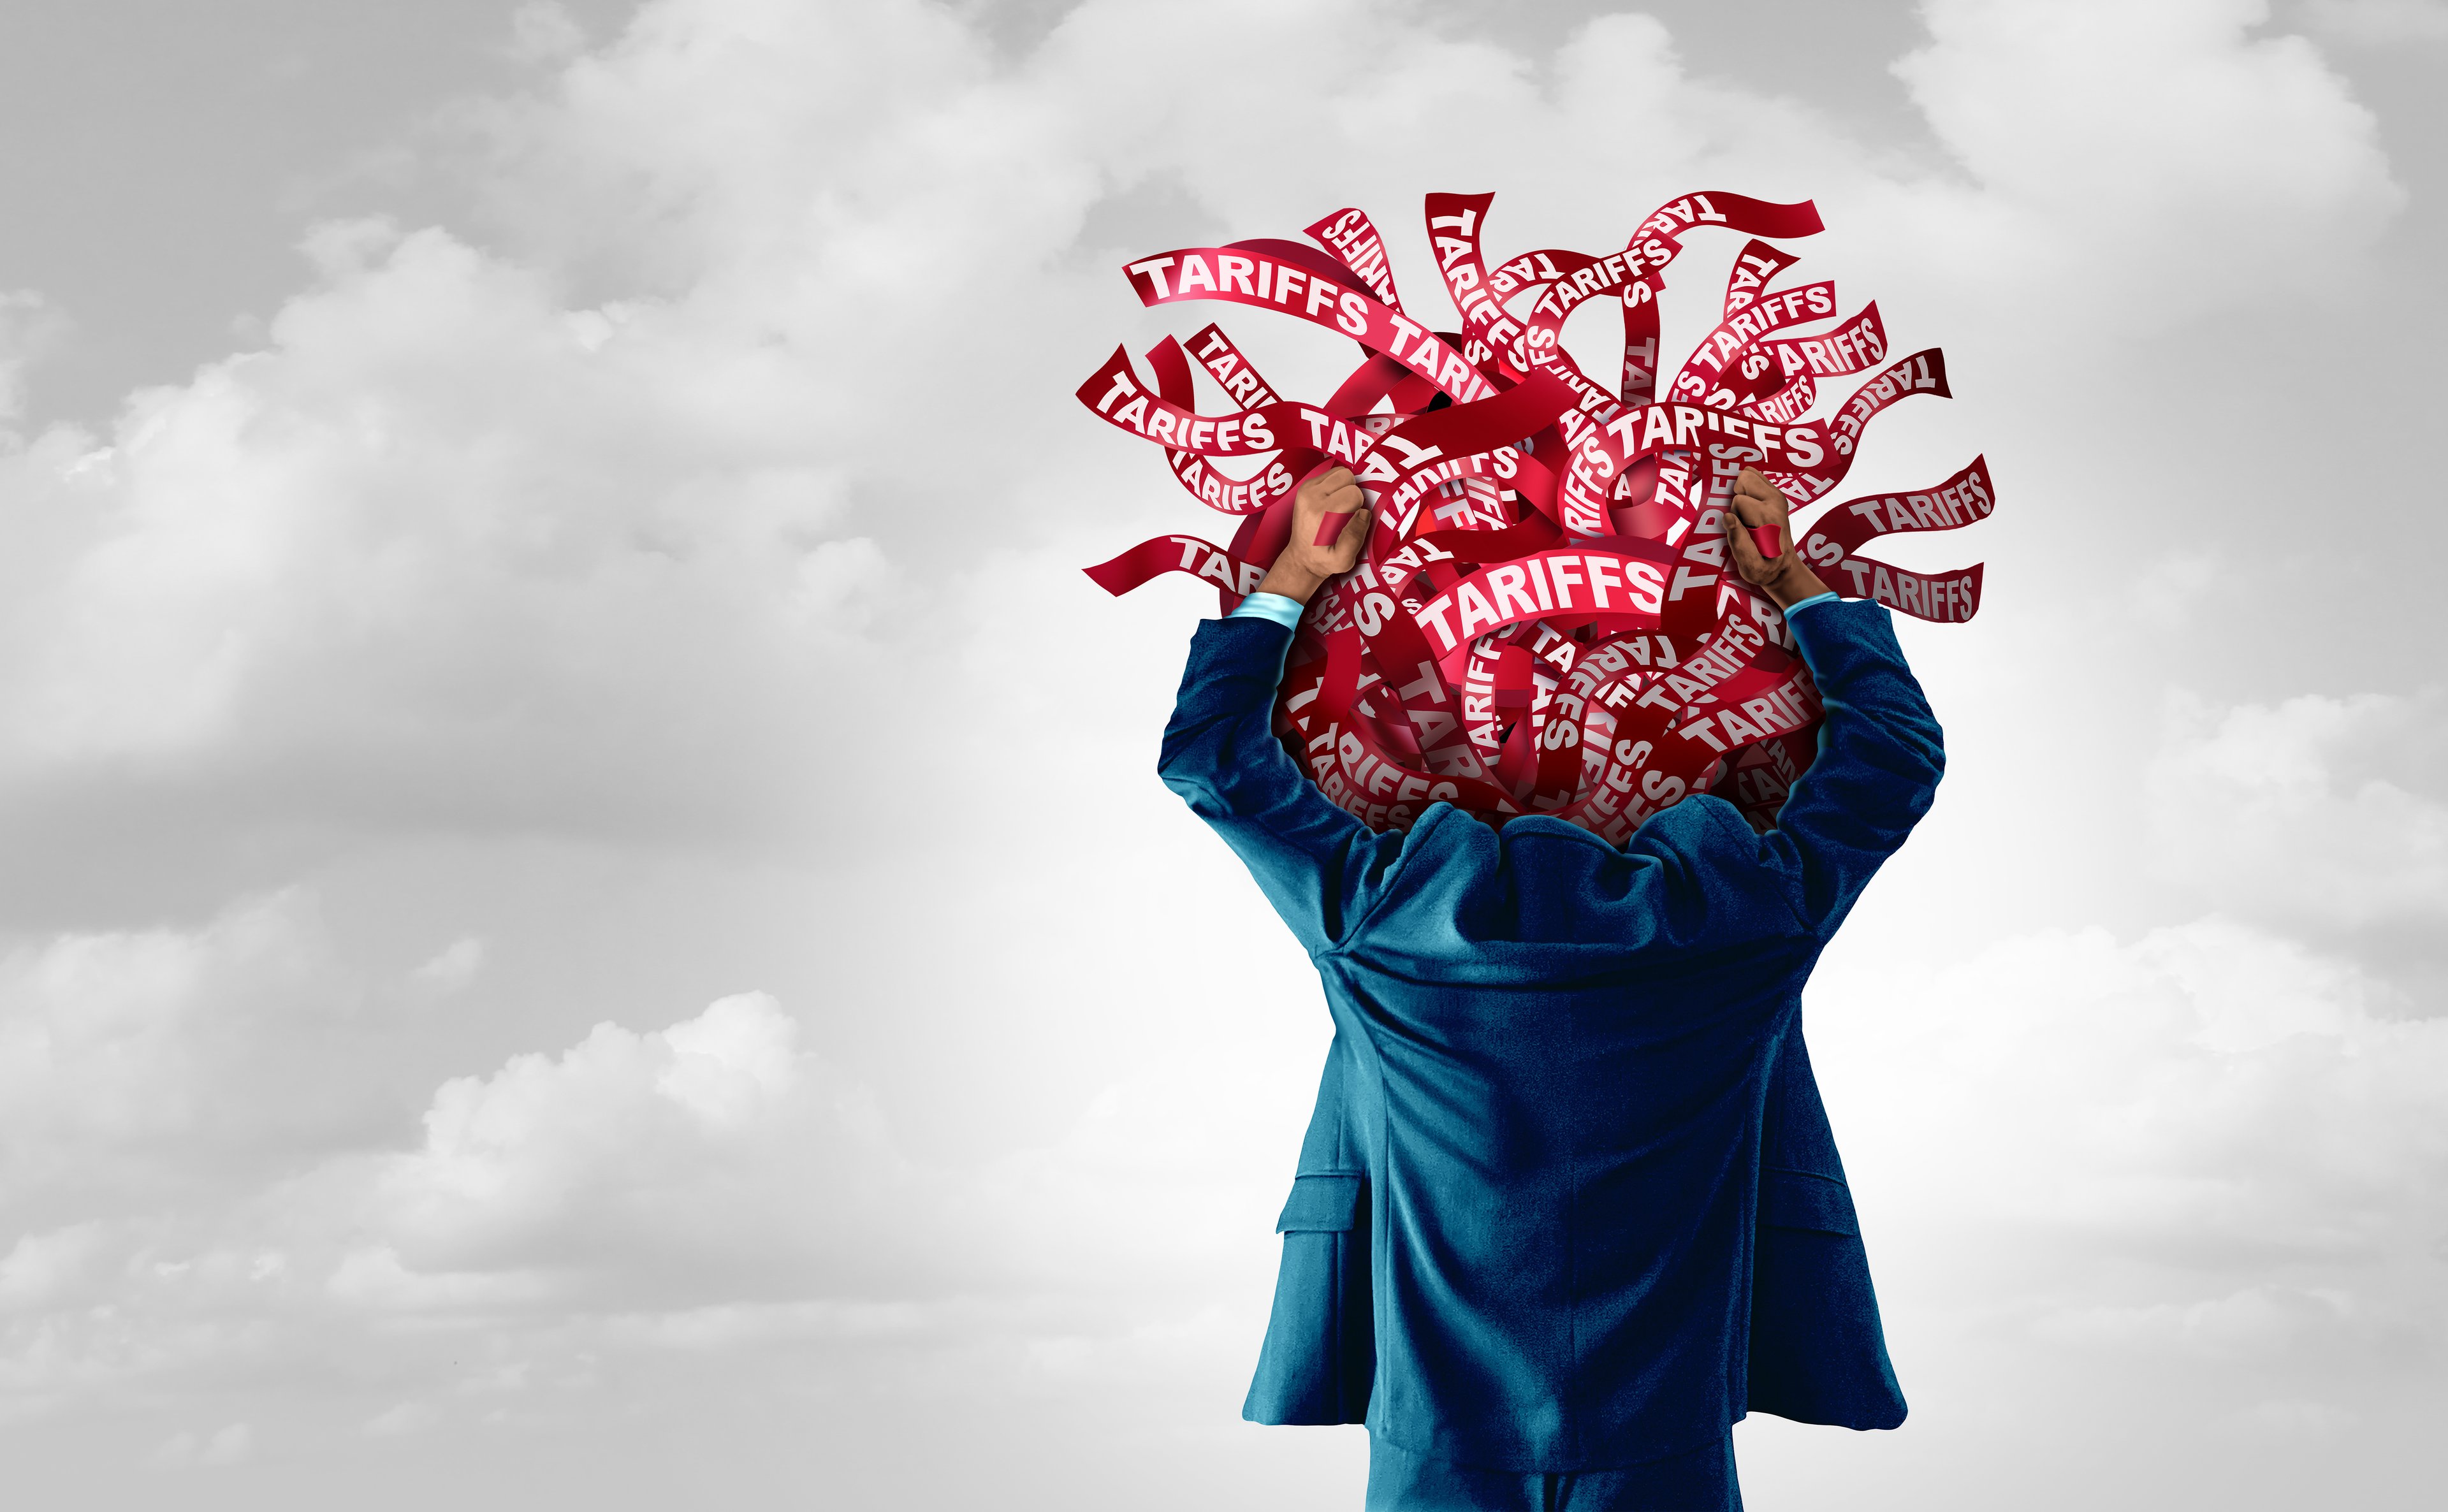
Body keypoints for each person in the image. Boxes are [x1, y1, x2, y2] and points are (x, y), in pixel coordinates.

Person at [1157, 463, 1944, 1511]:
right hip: (1665, 1444)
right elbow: (1891, 761)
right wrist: (1795, 586)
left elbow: (1215, 762)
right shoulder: (1745, 930)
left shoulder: (1386, 933)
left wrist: (1294, 578)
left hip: (1437, 1443)